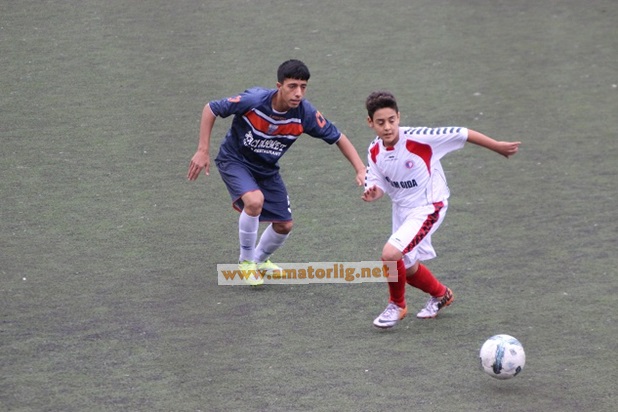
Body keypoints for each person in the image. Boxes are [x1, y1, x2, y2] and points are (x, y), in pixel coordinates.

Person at [188, 59, 366, 285]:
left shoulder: (305, 114)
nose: (298, 93)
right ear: (279, 86)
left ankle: (260, 261)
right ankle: (246, 262)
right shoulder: (254, 101)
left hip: (266, 169)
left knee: (284, 225)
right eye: (292, 86)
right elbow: (211, 108)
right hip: (235, 160)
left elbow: (338, 137)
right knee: (254, 201)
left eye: (303, 87)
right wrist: (202, 150)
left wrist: (360, 168)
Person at [362, 91, 520, 328]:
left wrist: (497, 147)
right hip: (402, 210)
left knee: (390, 254)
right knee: (407, 267)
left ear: (399, 117)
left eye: (392, 120)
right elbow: (378, 183)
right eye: (381, 122)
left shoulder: (420, 138)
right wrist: (374, 193)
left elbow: (462, 133)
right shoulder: (374, 149)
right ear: (370, 122)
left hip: (429, 206)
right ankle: (441, 295)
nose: (387, 127)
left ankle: (397, 305)